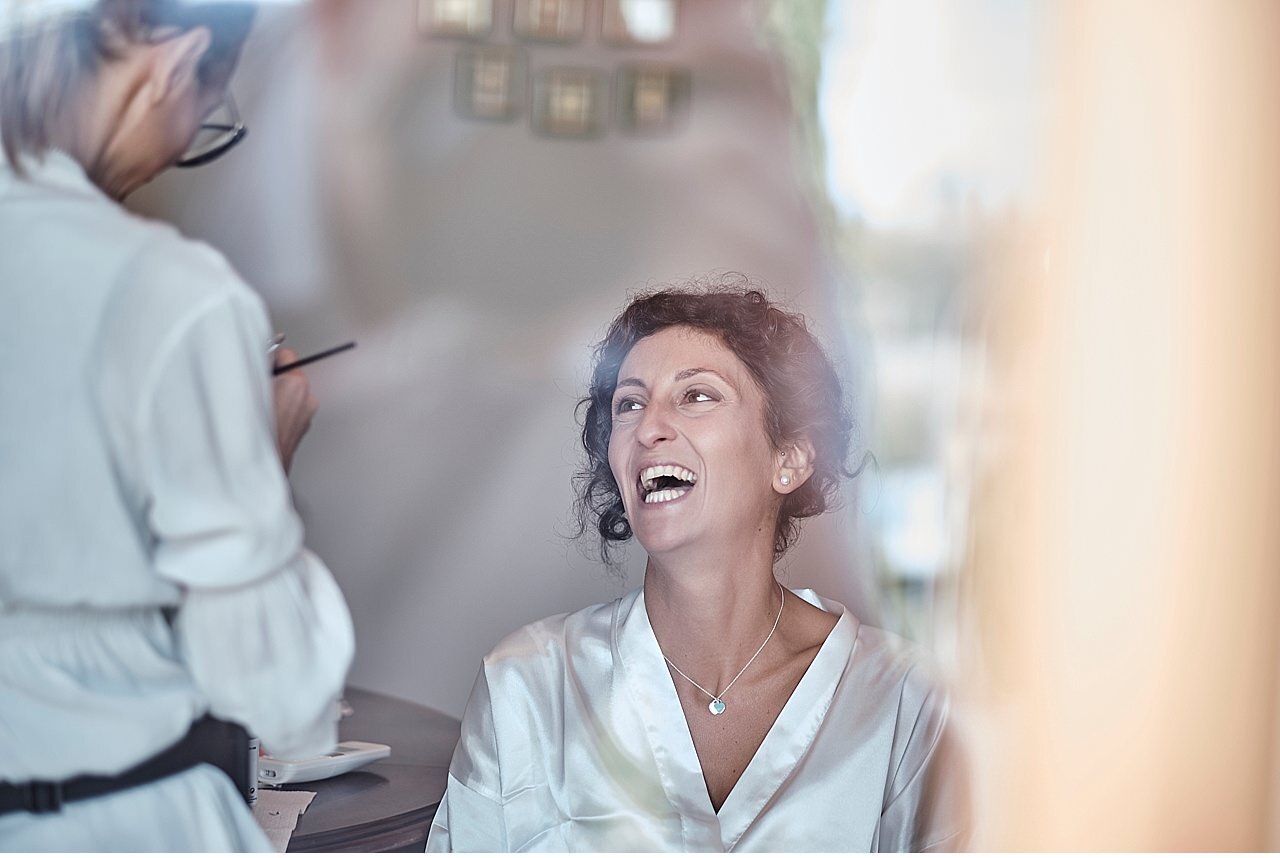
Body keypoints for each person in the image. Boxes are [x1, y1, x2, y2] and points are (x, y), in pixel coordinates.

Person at [427, 281, 967, 851]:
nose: (649, 426)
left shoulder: (903, 702)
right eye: (629, 404)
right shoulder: (527, 685)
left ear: (789, 459)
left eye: (697, 396)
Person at [0, 0, 353, 850]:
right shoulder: (171, 294)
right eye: (206, 114)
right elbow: (278, 698)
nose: (170, 160)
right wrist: (255, 462)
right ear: (171, 60)